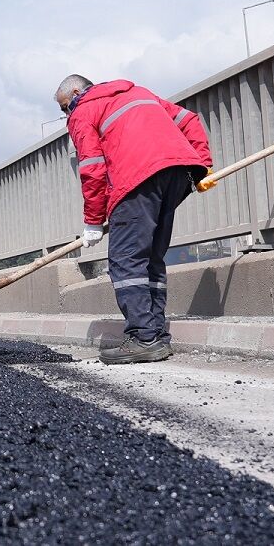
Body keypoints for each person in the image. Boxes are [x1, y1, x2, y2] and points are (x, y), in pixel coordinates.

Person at [56, 74, 212, 365]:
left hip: (137, 177)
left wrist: (93, 220)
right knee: (151, 257)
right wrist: (202, 166)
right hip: (176, 172)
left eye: (65, 107)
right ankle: (156, 334)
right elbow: (189, 119)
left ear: (77, 92)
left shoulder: (83, 110)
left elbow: (92, 166)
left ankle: (143, 338)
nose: (67, 114)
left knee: (126, 259)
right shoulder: (138, 92)